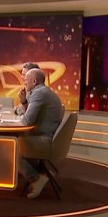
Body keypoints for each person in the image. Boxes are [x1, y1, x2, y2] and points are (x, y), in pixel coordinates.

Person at [19, 67, 64, 199]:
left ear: (34, 81)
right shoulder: (44, 92)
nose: (24, 82)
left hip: (44, 140)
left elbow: (27, 121)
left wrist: (20, 117)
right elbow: (30, 118)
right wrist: (24, 101)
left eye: (26, 79)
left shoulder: (38, 93)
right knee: (12, 139)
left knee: (10, 145)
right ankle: (39, 172)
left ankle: (36, 178)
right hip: (46, 136)